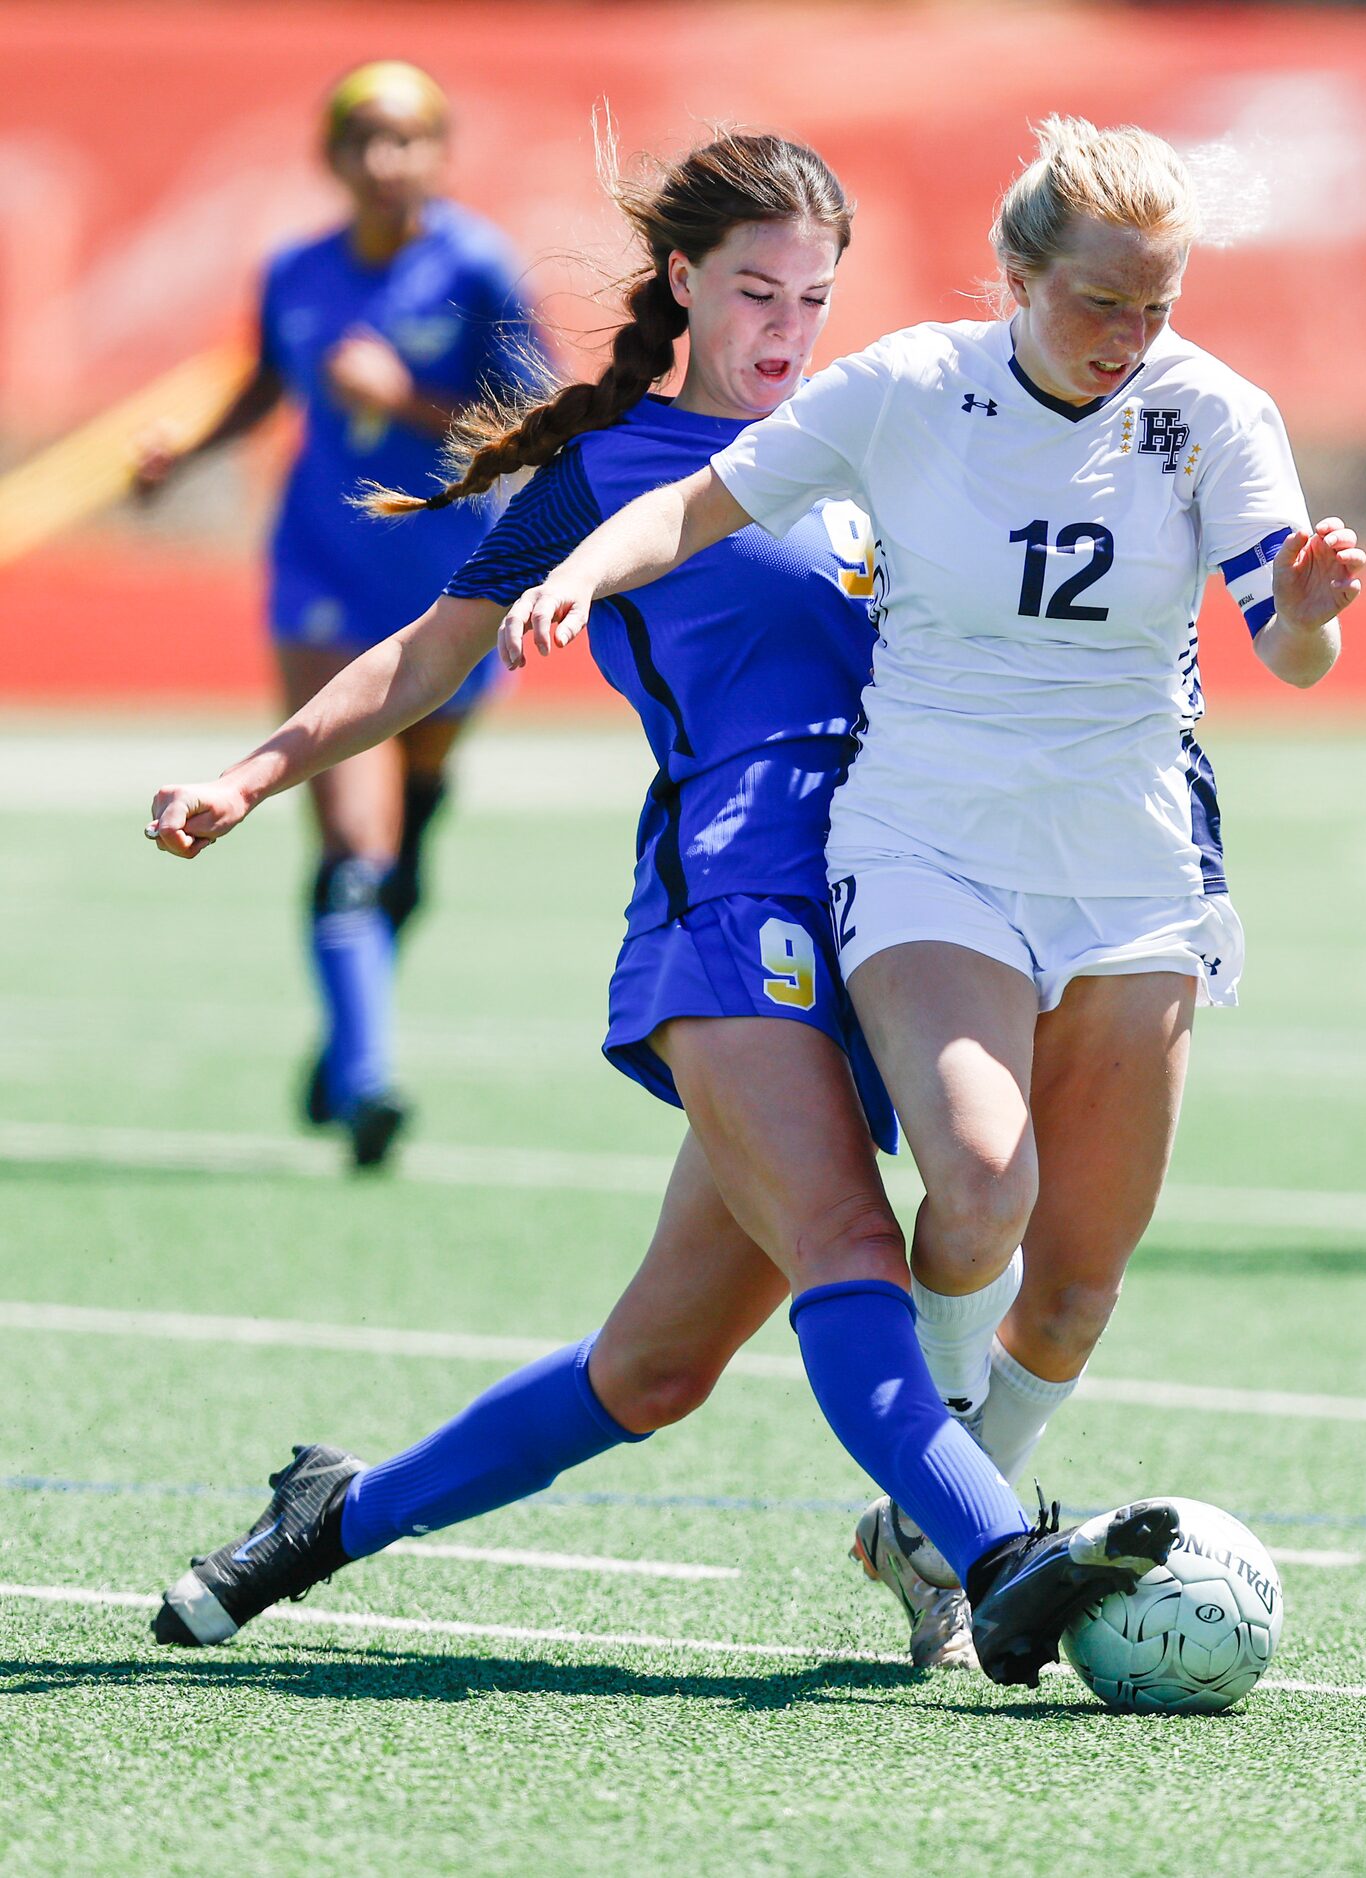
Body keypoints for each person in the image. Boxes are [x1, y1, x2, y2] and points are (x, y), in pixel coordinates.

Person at [145, 130, 1179, 1688]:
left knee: (653, 1368)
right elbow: (428, 654)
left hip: (901, 901)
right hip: (732, 889)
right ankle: (998, 1548)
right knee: (846, 1238)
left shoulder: (868, 438)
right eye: (757, 289)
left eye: (815, 297)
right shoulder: (606, 472)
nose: (786, 326)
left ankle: (329, 1515)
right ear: (683, 281)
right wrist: (258, 772)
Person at [490, 117, 1366, 1654]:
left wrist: (1303, 612)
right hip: (927, 841)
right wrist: (578, 570)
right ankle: (974, 1516)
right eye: (1102, 302)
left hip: (1133, 862)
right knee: (975, 1184)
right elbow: (699, 503)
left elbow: (1289, 653)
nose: (1132, 338)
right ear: (1017, 277)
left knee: (1075, 1293)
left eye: (1157, 306)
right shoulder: (906, 389)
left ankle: (927, 1532)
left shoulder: (1211, 411)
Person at [135, 61, 546, 1166]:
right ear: (332, 156)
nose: (383, 160)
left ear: (437, 154)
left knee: (407, 833)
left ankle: (343, 1035)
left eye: (406, 139)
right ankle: (368, 1078)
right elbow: (270, 385)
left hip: (451, 580)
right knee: (351, 837)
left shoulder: (477, 268)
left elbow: (536, 422)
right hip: (321, 568)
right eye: (362, 139)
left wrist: (405, 401)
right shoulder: (295, 271)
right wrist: (193, 449)